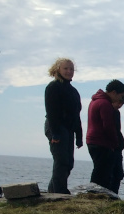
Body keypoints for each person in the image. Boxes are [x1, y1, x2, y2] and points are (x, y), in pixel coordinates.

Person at [43, 58, 83, 194]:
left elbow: (77, 115)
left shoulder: (73, 91)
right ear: (58, 69)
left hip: (69, 129)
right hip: (56, 127)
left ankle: (52, 191)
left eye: (71, 69)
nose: (69, 71)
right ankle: (59, 192)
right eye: (66, 68)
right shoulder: (53, 87)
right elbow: (51, 111)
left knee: (68, 162)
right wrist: (55, 133)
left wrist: (79, 137)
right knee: (61, 160)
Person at [86, 79, 124, 193]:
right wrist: (115, 144)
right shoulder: (104, 104)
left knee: (101, 171)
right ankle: (96, 196)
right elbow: (108, 126)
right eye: (121, 96)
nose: (121, 100)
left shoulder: (97, 101)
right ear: (114, 93)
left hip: (95, 141)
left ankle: (96, 195)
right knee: (102, 174)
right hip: (101, 143)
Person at [111, 97, 124, 191]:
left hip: (117, 148)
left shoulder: (117, 113)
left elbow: (117, 130)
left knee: (118, 174)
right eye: (119, 102)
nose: (120, 105)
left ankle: (113, 196)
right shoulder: (109, 111)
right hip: (111, 148)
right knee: (110, 174)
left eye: (122, 103)